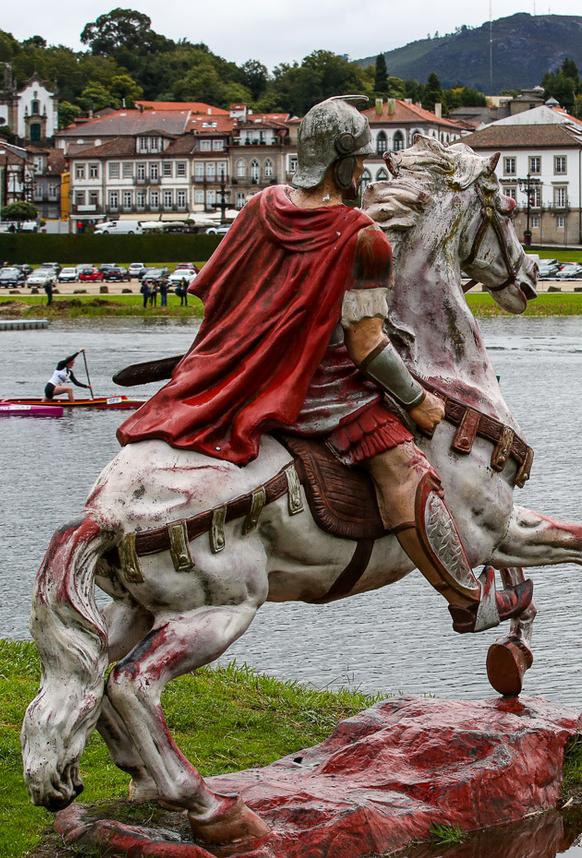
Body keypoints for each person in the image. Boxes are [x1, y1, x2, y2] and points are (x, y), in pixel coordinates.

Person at [116, 95, 531, 635]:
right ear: (342, 164)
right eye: (357, 162)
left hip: (248, 380)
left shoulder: (261, 206)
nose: (361, 173)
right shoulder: (361, 236)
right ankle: (465, 599)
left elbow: (220, 296)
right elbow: (367, 348)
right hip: (326, 393)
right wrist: (417, 399)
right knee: (407, 471)